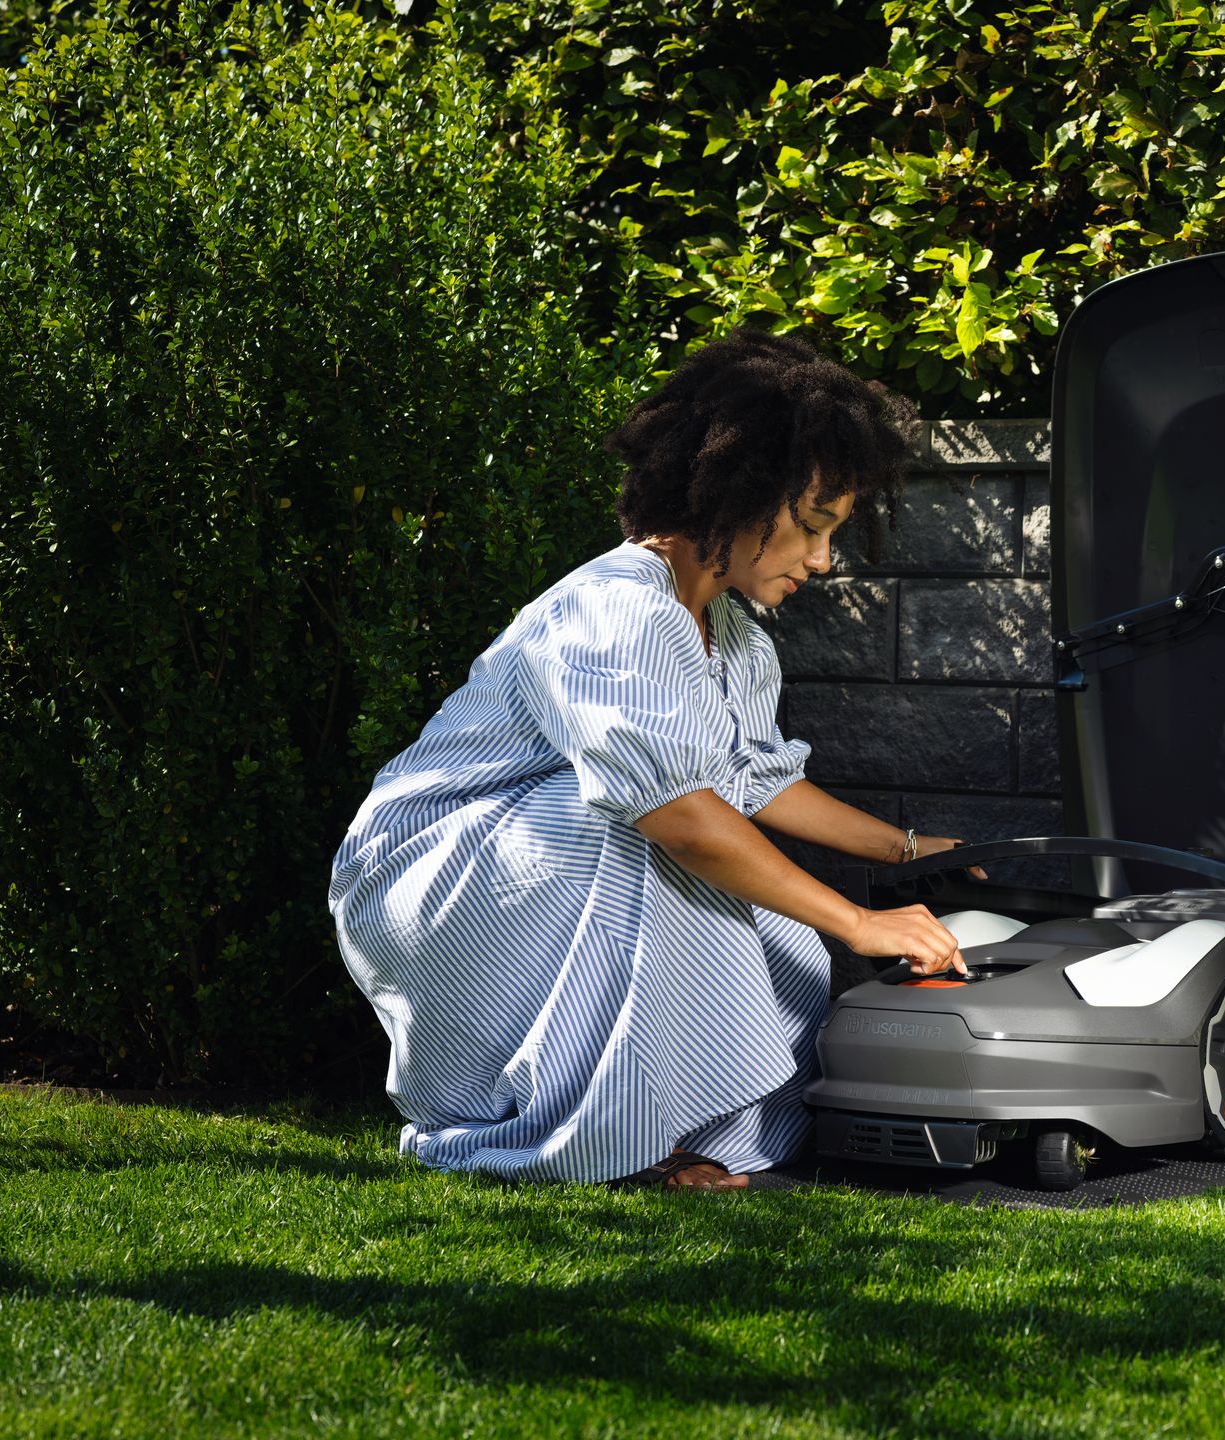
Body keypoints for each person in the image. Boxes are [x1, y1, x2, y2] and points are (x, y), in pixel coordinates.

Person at [328, 330, 979, 1191]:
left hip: (547, 854)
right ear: (742, 493)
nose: (823, 561)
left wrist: (913, 851)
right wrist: (859, 922)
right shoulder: (613, 611)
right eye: (813, 527)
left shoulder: (735, 636)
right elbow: (677, 814)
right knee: (657, 838)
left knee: (783, 930)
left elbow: (754, 781)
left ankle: (684, 1130)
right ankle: (602, 1141)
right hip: (431, 869)